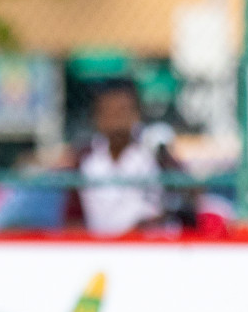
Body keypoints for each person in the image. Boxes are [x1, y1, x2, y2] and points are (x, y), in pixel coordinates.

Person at [72, 80, 194, 235]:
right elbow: (73, 218)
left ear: (136, 113)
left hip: (147, 246)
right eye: (109, 112)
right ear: (97, 117)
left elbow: (187, 193)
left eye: (122, 111)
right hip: (100, 250)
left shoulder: (154, 150)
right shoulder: (84, 158)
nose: (116, 121)